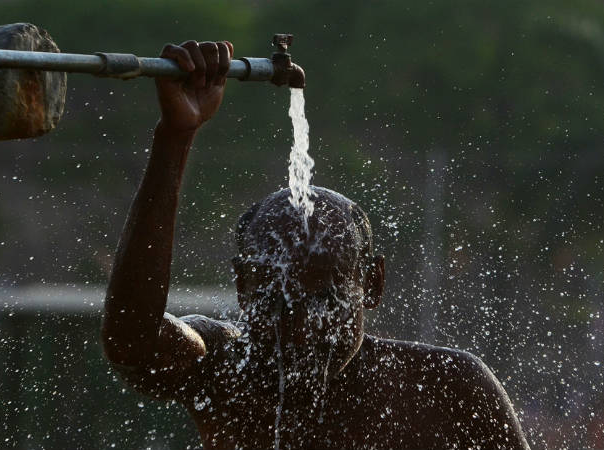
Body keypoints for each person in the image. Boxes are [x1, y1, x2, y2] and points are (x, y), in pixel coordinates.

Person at [101, 39, 530, 450]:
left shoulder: (445, 389)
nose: (299, 330)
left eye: (325, 299)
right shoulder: (224, 368)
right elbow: (133, 341)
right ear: (241, 286)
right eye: (274, 300)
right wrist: (175, 135)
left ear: (373, 284)